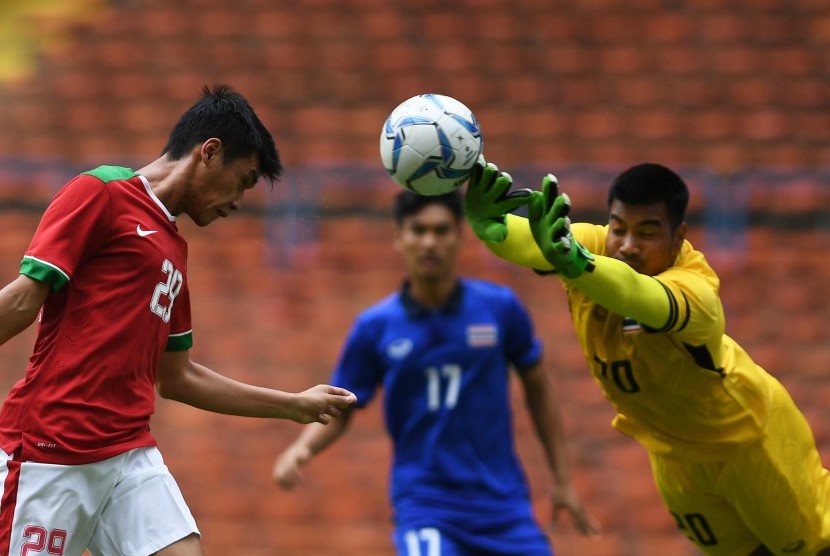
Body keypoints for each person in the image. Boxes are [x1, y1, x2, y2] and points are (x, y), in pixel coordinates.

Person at [0, 84, 357, 556]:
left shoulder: (173, 249)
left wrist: (291, 404)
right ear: (210, 152)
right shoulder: (101, 193)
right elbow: (24, 301)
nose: (238, 201)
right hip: (51, 451)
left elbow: (178, 377)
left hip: (127, 454)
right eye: (244, 180)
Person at [462, 159, 830, 556]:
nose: (628, 246)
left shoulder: (695, 288)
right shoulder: (594, 246)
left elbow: (640, 296)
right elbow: (530, 238)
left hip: (745, 443)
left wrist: (577, 263)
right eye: (619, 229)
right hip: (673, 456)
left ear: (678, 237)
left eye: (647, 233)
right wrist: (491, 229)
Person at [272, 190, 599, 555]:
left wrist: (562, 479)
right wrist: (300, 451)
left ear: (460, 235)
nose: (430, 242)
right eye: (418, 230)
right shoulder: (376, 327)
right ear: (399, 237)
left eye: (441, 230)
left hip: (504, 508)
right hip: (426, 506)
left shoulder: (500, 309)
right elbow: (343, 406)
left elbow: (538, 388)